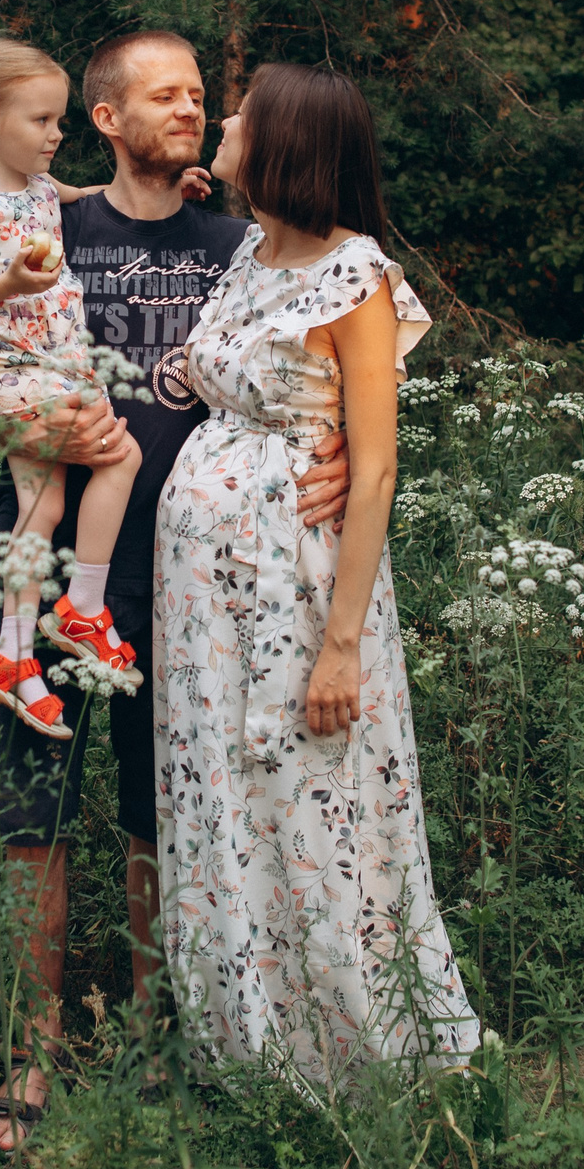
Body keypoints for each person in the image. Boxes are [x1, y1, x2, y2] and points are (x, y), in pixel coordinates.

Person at [0, 30, 351, 1151]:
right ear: (106, 119)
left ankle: (151, 1032)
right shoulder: (45, 222)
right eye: (163, 97)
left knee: (159, 808)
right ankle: (29, 1053)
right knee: (31, 811)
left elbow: (322, 366)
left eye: (200, 98)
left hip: (192, 579)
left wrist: (348, 452)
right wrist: (28, 418)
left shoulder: (242, 245)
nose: (190, 110)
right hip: (41, 569)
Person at [154, 61, 478, 1080]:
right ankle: (249, 1049)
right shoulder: (249, 254)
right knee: (228, 796)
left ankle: (354, 1055)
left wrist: (342, 648)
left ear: (283, 141)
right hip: (206, 603)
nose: (225, 119)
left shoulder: (358, 274)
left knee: (310, 797)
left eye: (241, 111)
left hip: (297, 589)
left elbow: (374, 465)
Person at [0, 38, 147, 743]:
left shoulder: (43, 189)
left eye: (58, 120)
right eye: (42, 121)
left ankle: (25, 646)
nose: (57, 134)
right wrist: (8, 283)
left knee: (53, 499)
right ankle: (61, 620)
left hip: (54, 362)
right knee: (94, 473)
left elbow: (93, 194)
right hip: (4, 368)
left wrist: (177, 182)